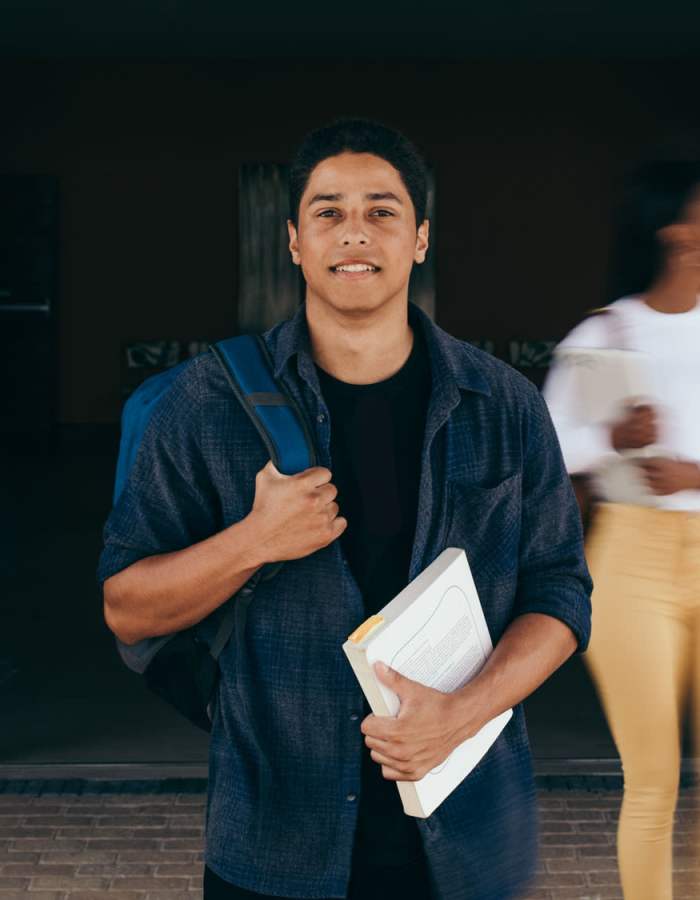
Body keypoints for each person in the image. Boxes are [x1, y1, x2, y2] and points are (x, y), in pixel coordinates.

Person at [99, 118, 592, 900]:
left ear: (420, 238)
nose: (353, 232)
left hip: (465, 838)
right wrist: (253, 541)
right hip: (275, 839)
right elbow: (127, 608)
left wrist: (461, 711)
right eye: (328, 212)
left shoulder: (505, 405)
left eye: (381, 211)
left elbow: (561, 591)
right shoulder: (202, 406)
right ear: (294, 241)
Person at [543, 161, 700, 900]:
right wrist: (613, 435)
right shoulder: (607, 332)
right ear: (677, 230)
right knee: (654, 778)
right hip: (631, 559)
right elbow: (552, 455)